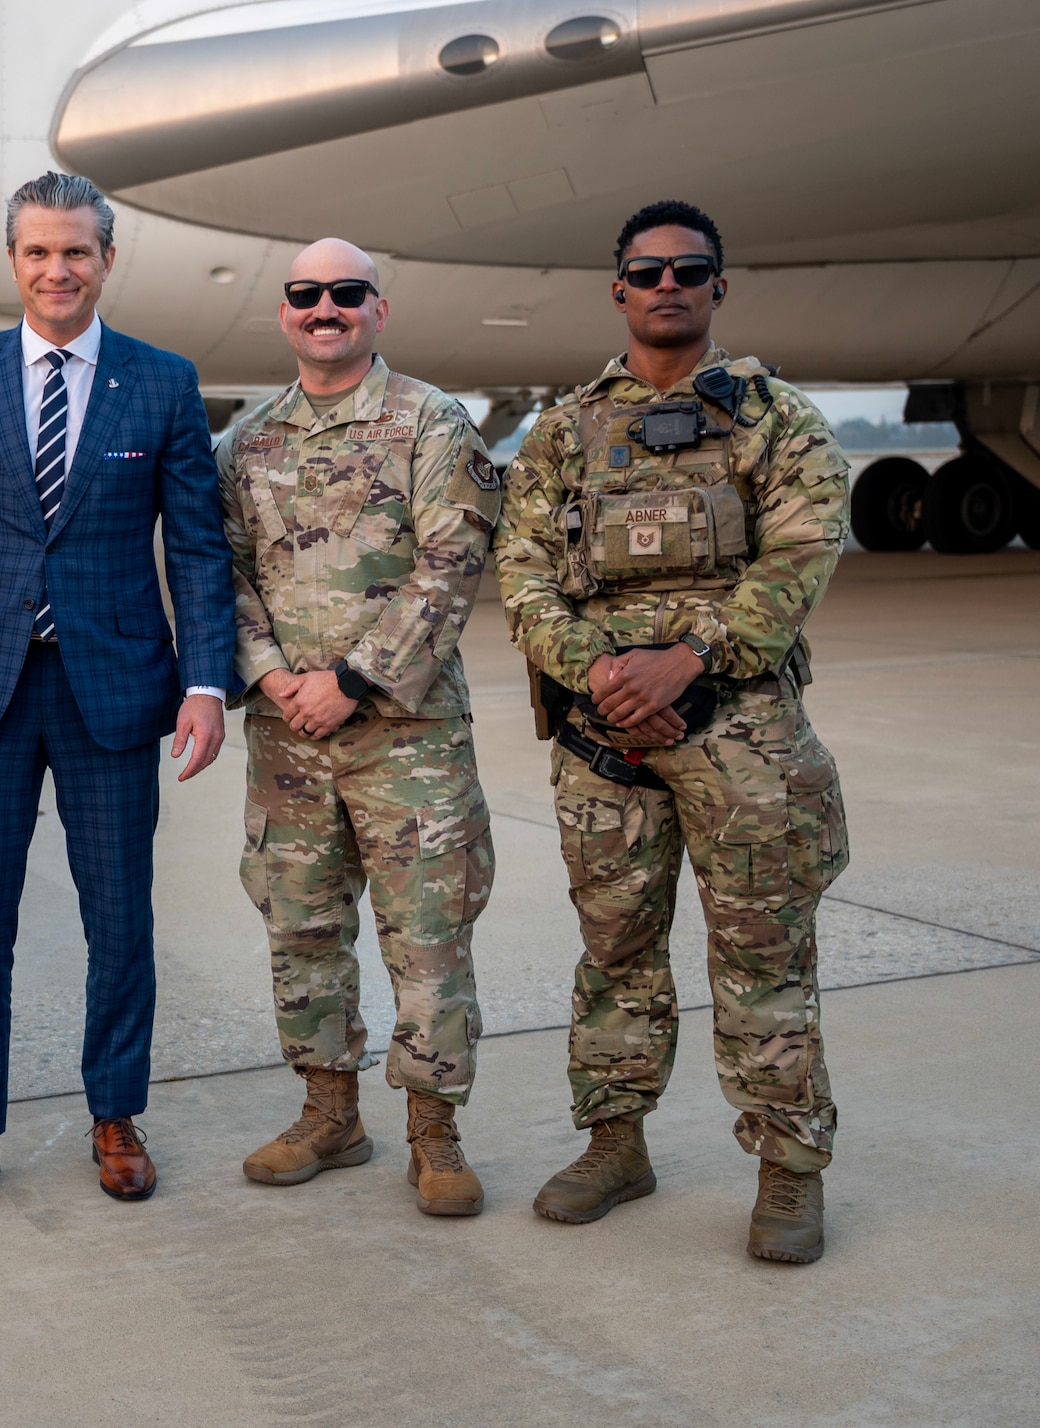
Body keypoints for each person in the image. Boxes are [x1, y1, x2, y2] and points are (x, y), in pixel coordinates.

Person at [494, 200, 850, 1263]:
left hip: (741, 736)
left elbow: (799, 560)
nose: (665, 285)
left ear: (715, 288)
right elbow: (517, 570)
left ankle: (787, 1171)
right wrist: (595, 672)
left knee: (762, 956)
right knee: (614, 952)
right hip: (605, 743)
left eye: (687, 271)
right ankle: (614, 1144)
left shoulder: (775, 418)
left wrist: (687, 658)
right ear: (617, 289)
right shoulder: (563, 430)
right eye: (645, 271)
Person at [0, 172, 235, 1213]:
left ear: (106, 259)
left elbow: (199, 551)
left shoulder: (160, 381)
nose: (57, 270)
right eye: (38, 252)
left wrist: (206, 684)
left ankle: (115, 1115)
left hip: (115, 693)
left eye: (76, 251)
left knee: (120, 921)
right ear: (13, 262)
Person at [220, 239, 500, 1213]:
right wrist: (269, 674)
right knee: (299, 927)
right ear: (286, 313)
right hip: (285, 738)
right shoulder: (245, 442)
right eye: (305, 295)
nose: (323, 307)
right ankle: (327, 1115)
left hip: (405, 734)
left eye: (345, 293)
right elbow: (220, 577)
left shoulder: (429, 422)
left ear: (378, 309)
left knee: (426, 937)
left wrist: (351, 679)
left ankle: (433, 1132)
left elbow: (451, 564)